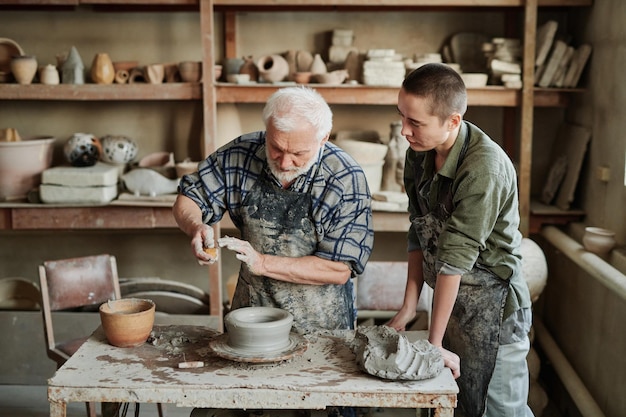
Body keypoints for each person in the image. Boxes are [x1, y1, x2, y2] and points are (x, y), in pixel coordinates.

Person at [386, 63, 534, 417]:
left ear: (452, 121)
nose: (404, 131)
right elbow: (418, 229)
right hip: (452, 302)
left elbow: (455, 258)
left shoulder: (484, 167)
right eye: (402, 117)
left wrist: (433, 343)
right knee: (456, 405)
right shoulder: (418, 152)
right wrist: (410, 306)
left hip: (493, 308)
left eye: (415, 123)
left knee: (497, 410)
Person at [173, 85, 374, 335]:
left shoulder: (344, 178)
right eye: (276, 148)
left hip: (322, 326)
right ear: (267, 129)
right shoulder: (240, 154)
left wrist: (262, 262)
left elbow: (338, 269)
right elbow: (189, 197)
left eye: (298, 153)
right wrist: (196, 225)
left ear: (323, 138)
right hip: (251, 316)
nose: (285, 162)